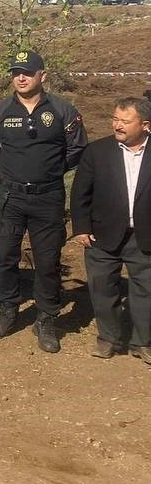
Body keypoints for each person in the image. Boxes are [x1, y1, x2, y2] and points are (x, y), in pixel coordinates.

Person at [0, 49, 87, 352]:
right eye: (16, 73)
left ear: (43, 76)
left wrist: (49, 170)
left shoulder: (63, 110)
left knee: (48, 261)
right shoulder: (0, 111)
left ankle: (46, 318)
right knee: (5, 257)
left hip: (48, 198)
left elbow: (78, 147)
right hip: (10, 197)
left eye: (27, 72)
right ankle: (7, 311)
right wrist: (13, 170)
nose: (21, 78)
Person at [71, 97, 151, 362]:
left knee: (146, 291)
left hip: (145, 235)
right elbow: (80, 193)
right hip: (102, 234)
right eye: (115, 119)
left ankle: (143, 342)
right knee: (103, 289)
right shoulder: (97, 151)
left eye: (125, 121)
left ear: (145, 125)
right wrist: (81, 228)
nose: (117, 125)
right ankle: (109, 339)